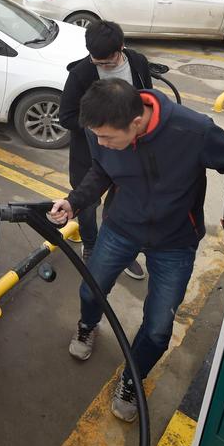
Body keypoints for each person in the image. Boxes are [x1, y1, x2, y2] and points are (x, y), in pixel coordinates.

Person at [49, 79, 224, 423]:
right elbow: (101, 169)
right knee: (91, 289)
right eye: (97, 137)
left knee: (159, 327)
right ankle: (88, 324)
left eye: (107, 138)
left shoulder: (193, 130)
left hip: (174, 241)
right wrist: (74, 202)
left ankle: (133, 377)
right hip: (120, 228)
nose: (100, 143)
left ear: (136, 122)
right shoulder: (102, 129)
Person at [58, 20, 152, 279]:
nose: (100, 66)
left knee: (125, 206)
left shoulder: (138, 63)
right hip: (89, 157)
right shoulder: (81, 73)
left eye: (107, 63)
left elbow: (148, 100)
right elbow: (65, 116)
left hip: (131, 152)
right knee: (86, 205)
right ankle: (91, 245)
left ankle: (124, 253)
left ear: (120, 48)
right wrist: (99, 125)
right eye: (96, 61)